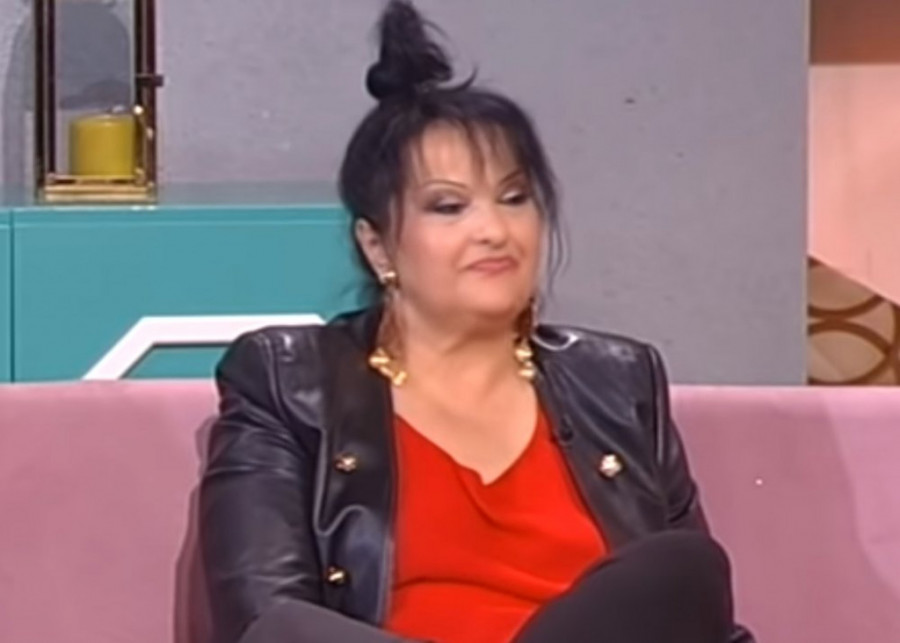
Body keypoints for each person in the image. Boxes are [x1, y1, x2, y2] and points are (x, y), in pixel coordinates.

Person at [200, 2, 753, 642]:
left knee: (679, 567)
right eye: (449, 207)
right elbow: (263, 619)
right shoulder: (289, 382)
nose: (494, 230)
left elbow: (691, 618)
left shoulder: (620, 382)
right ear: (378, 246)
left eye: (514, 198)